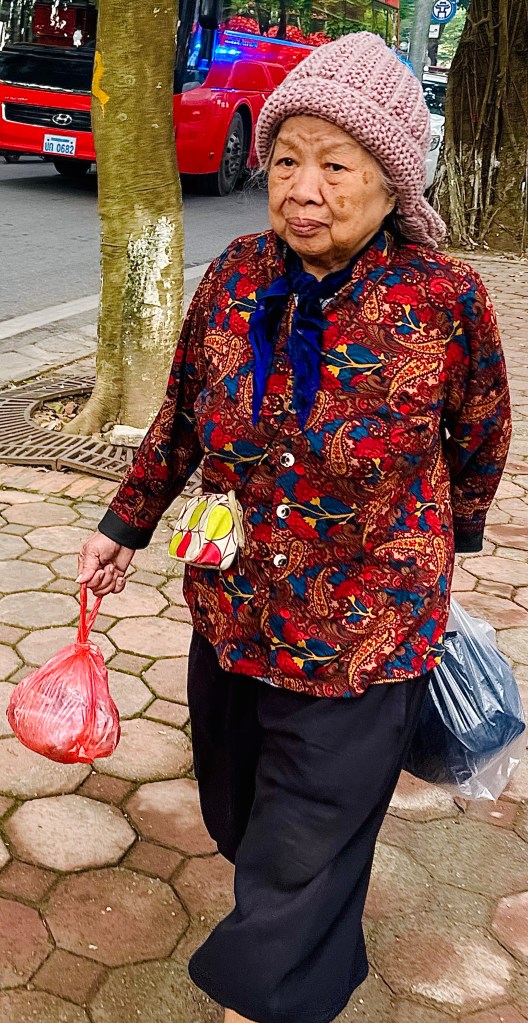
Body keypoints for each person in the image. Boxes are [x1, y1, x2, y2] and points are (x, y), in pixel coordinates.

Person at [77, 32, 511, 1023]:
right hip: (233, 609)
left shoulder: (444, 300)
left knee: (302, 842)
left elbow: (482, 433)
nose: (302, 189)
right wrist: (122, 526)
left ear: (392, 182)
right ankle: (306, 927)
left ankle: (272, 991)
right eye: (284, 160)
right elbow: (181, 417)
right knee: (240, 814)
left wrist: (442, 544)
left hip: (367, 630)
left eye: (335, 165)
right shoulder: (235, 274)